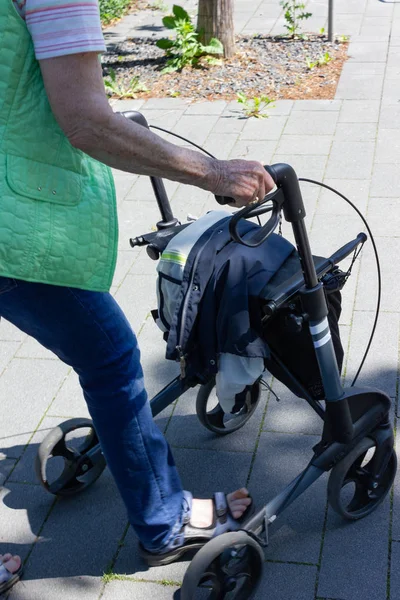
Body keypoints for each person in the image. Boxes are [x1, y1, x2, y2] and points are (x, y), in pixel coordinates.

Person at [0, 0, 275, 572]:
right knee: (110, 359)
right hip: (14, 226)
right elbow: (86, 121)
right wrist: (215, 173)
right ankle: (165, 522)